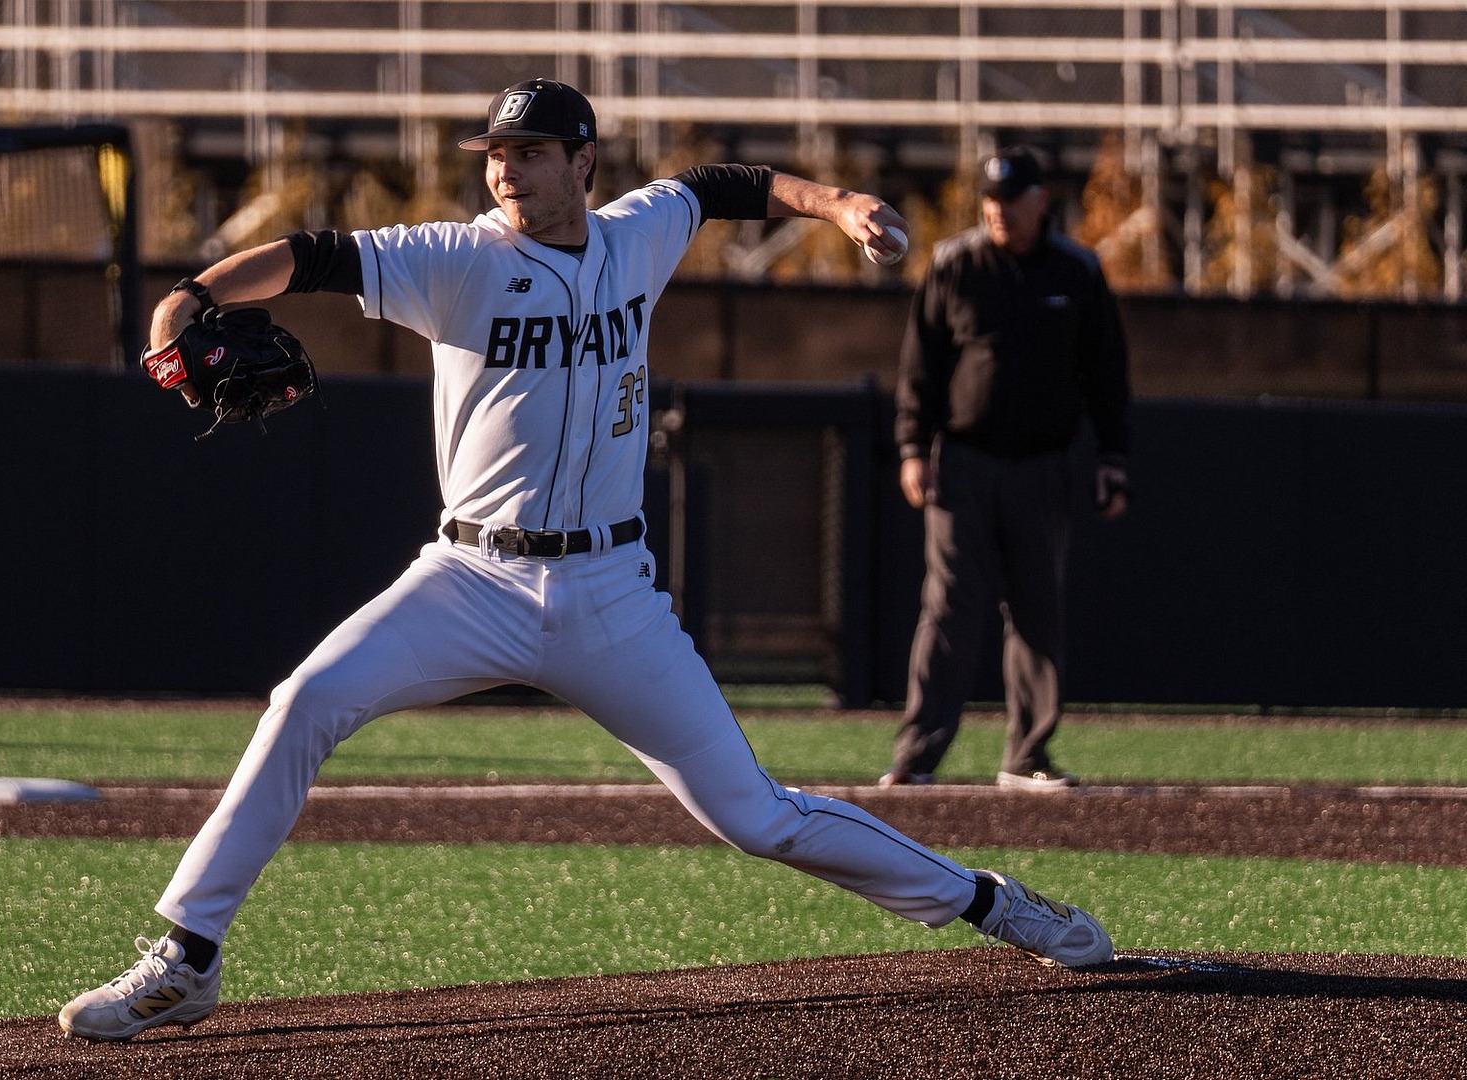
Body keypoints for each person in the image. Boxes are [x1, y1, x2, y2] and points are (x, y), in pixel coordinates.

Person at [58, 82, 1114, 1042]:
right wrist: (189, 297)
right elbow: (316, 256)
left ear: (584, 165)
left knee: (757, 816)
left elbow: (728, 185)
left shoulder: (636, 235)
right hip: (469, 579)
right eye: (496, 153)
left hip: (611, 591)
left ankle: (991, 902)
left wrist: (836, 202)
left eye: (529, 151)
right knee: (304, 701)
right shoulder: (459, 257)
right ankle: (188, 957)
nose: (506, 169)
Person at [881, 146, 1133, 793]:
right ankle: (917, 756)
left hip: (1043, 465)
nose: (998, 212)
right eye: (989, 199)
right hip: (962, 462)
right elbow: (920, 366)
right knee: (949, 607)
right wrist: (913, 447)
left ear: (1040, 200)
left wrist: (1112, 460)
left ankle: (1028, 755)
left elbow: (1105, 374)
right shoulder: (956, 264)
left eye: (1010, 199)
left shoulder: (1077, 271)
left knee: (1037, 611)